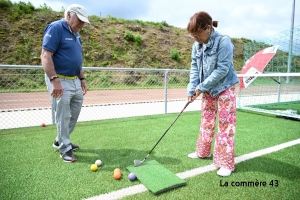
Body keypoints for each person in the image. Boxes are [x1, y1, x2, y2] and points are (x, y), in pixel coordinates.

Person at [186, 11, 239, 176]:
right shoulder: (197, 45)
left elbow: (222, 69)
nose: (195, 38)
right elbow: (195, 67)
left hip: (225, 88)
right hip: (208, 89)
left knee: (225, 125)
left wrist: (201, 87)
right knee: (206, 122)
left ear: (208, 28)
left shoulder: (224, 41)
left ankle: (225, 164)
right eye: (192, 35)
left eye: (197, 34)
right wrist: (192, 88)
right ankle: (203, 152)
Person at [41, 4, 90, 162]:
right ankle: (65, 148)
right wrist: (54, 80)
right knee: (63, 114)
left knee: (74, 110)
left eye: (84, 22)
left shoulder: (76, 34)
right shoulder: (56, 28)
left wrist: (82, 78)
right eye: (80, 20)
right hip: (59, 79)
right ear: (69, 15)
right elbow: (46, 55)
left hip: (74, 79)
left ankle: (60, 140)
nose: (82, 24)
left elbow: (77, 60)